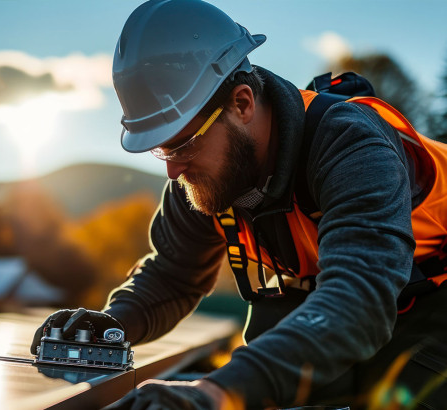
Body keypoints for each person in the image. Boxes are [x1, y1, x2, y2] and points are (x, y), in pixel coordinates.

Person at [32, 0, 447, 408]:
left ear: (242, 104)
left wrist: (214, 393)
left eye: (182, 144)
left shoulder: (351, 147)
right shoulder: (204, 175)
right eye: (161, 150)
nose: (173, 172)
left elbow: (359, 300)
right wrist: (113, 325)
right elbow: (173, 276)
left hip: (427, 312)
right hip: (339, 313)